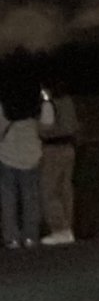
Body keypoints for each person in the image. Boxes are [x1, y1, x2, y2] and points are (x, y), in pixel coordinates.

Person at [0, 78, 48, 249]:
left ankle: (11, 237)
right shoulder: (34, 110)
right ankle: (30, 236)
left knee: (8, 199)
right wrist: (46, 99)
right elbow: (48, 124)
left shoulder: (4, 107)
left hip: (7, 157)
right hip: (31, 157)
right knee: (31, 198)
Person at [38, 80, 79, 245]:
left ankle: (59, 229)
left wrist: (37, 126)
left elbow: (45, 127)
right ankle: (67, 228)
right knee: (65, 189)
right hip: (69, 147)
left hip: (53, 148)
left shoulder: (49, 105)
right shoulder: (68, 102)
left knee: (48, 190)